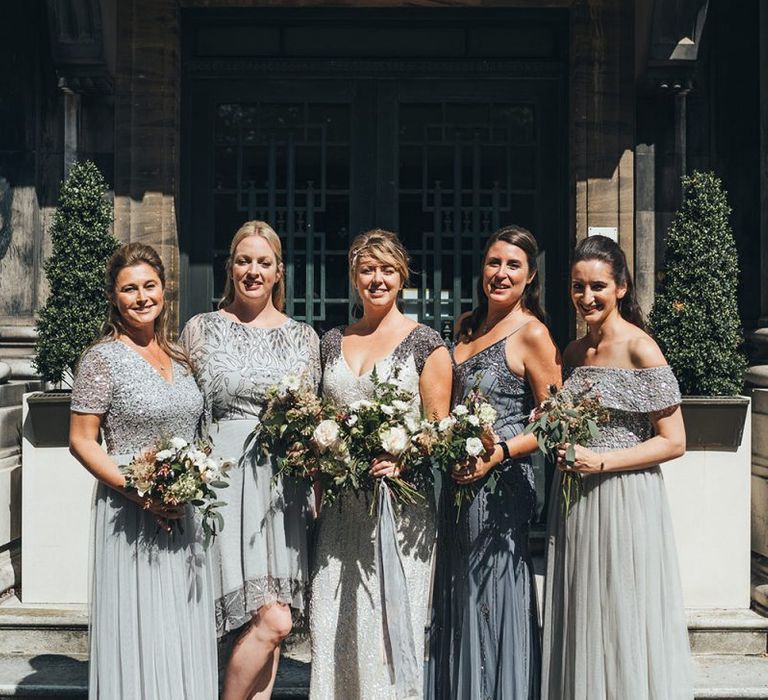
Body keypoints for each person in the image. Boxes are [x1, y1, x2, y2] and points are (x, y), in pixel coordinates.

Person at [541, 234, 693, 699]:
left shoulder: (641, 349)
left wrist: (601, 461)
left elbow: (674, 442)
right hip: (575, 501)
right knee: (584, 610)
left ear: (621, 287)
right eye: (578, 286)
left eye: (598, 287)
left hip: (627, 499)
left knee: (623, 610)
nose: (587, 297)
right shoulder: (570, 354)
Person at [69, 242, 217, 699]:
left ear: (164, 289)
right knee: (140, 622)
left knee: (179, 620)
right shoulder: (101, 359)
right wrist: (139, 491)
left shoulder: (180, 358)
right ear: (114, 298)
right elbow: (81, 441)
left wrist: (190, 481)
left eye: (149, 285)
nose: (141, 297)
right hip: (130, 513)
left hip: (183, 513)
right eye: (129, 289)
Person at [309, 229, 452, 699]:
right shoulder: (332, 341)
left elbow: (439, 430)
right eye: (367, 269)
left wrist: (403, 454)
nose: (377, 279)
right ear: (354, 277)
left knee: (390, 624)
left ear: (402, 277)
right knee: (335, 621)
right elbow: (318, 419)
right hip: (340, 511)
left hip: (400, 509)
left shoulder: (425, 343)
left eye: (387, 270)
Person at [180, 221, 320, 700]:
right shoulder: (200, 328)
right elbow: (183, 408)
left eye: (264, 262)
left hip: (282, 487)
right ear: (230, 267)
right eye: (244, 261)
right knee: (258, 620)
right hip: (222, 481)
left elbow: (312, 418)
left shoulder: (305, 338)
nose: (253, 271)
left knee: (273, 620)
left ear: (279, 271)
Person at [426, 225, 561, 700]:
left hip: (501, 486)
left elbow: (554, 424)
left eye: (513, 265)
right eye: (493, 262)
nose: (500, 274)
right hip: (457, 484)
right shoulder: (465, 325)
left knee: (492, 591)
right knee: (459, 590)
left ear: (531, 277)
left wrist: (498, 453)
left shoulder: (534, 335)